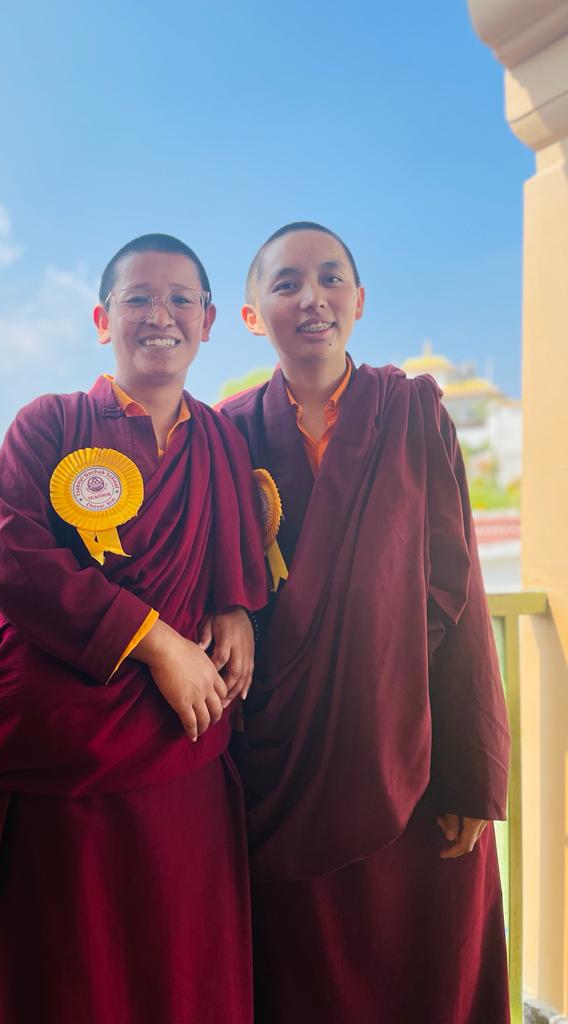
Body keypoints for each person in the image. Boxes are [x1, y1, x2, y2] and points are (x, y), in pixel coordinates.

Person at [0, 233, 267, 1024]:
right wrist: (157, 644)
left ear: (208, 321)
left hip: (180, 758)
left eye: (180, 300)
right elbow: (13, 558)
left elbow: (232, 554)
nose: (160, 316)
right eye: (138, 299)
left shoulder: (221, 440)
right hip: (69, 760)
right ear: (102, 320)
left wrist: (236, 606)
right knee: (69, 972)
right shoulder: (49, 425)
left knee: (176, 967)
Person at [216, 221, 511, 1023]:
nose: (312, 298)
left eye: (330, 278)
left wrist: (471, 771)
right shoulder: (228, 433)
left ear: (360, 299)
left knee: (427, 975)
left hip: (414, 752)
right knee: (304, 982)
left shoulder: (413, 414)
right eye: (285, 284)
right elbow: (204, 576)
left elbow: (461, 588)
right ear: (252, 315)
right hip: (286, 769)